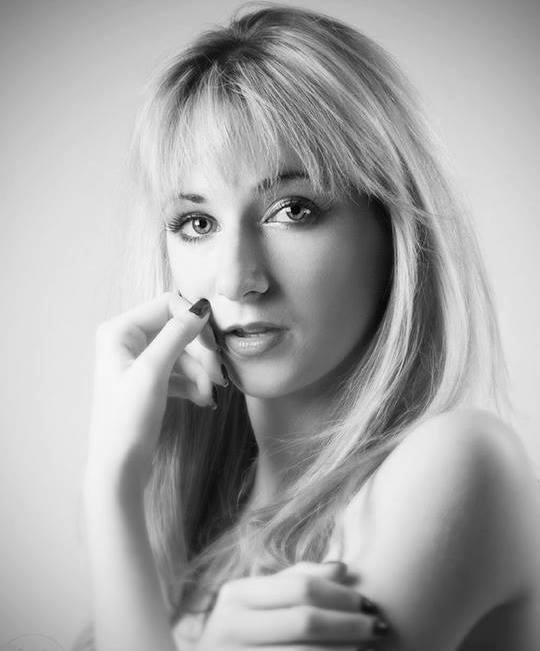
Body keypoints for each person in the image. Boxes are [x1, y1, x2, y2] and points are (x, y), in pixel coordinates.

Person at [73, 4, 540, 650]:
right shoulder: (197, 530)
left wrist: (109, 493)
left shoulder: (458, 465)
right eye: (197, 223)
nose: (237, 279)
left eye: (293, 209)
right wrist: (116, 481)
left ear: (393, 232)